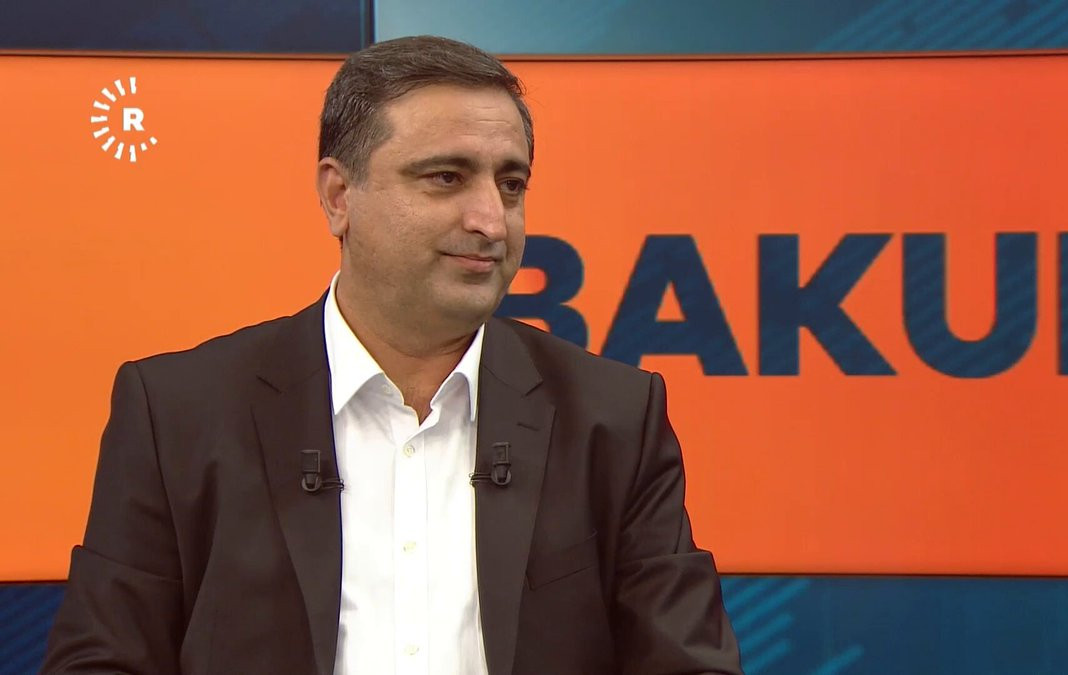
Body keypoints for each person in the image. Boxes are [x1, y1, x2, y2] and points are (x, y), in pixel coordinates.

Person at [42, 35, 741, 675]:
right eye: (446, 177)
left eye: (511, 185)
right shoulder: (178, 413)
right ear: (339, 196)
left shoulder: (613, 418)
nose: (491, 221)